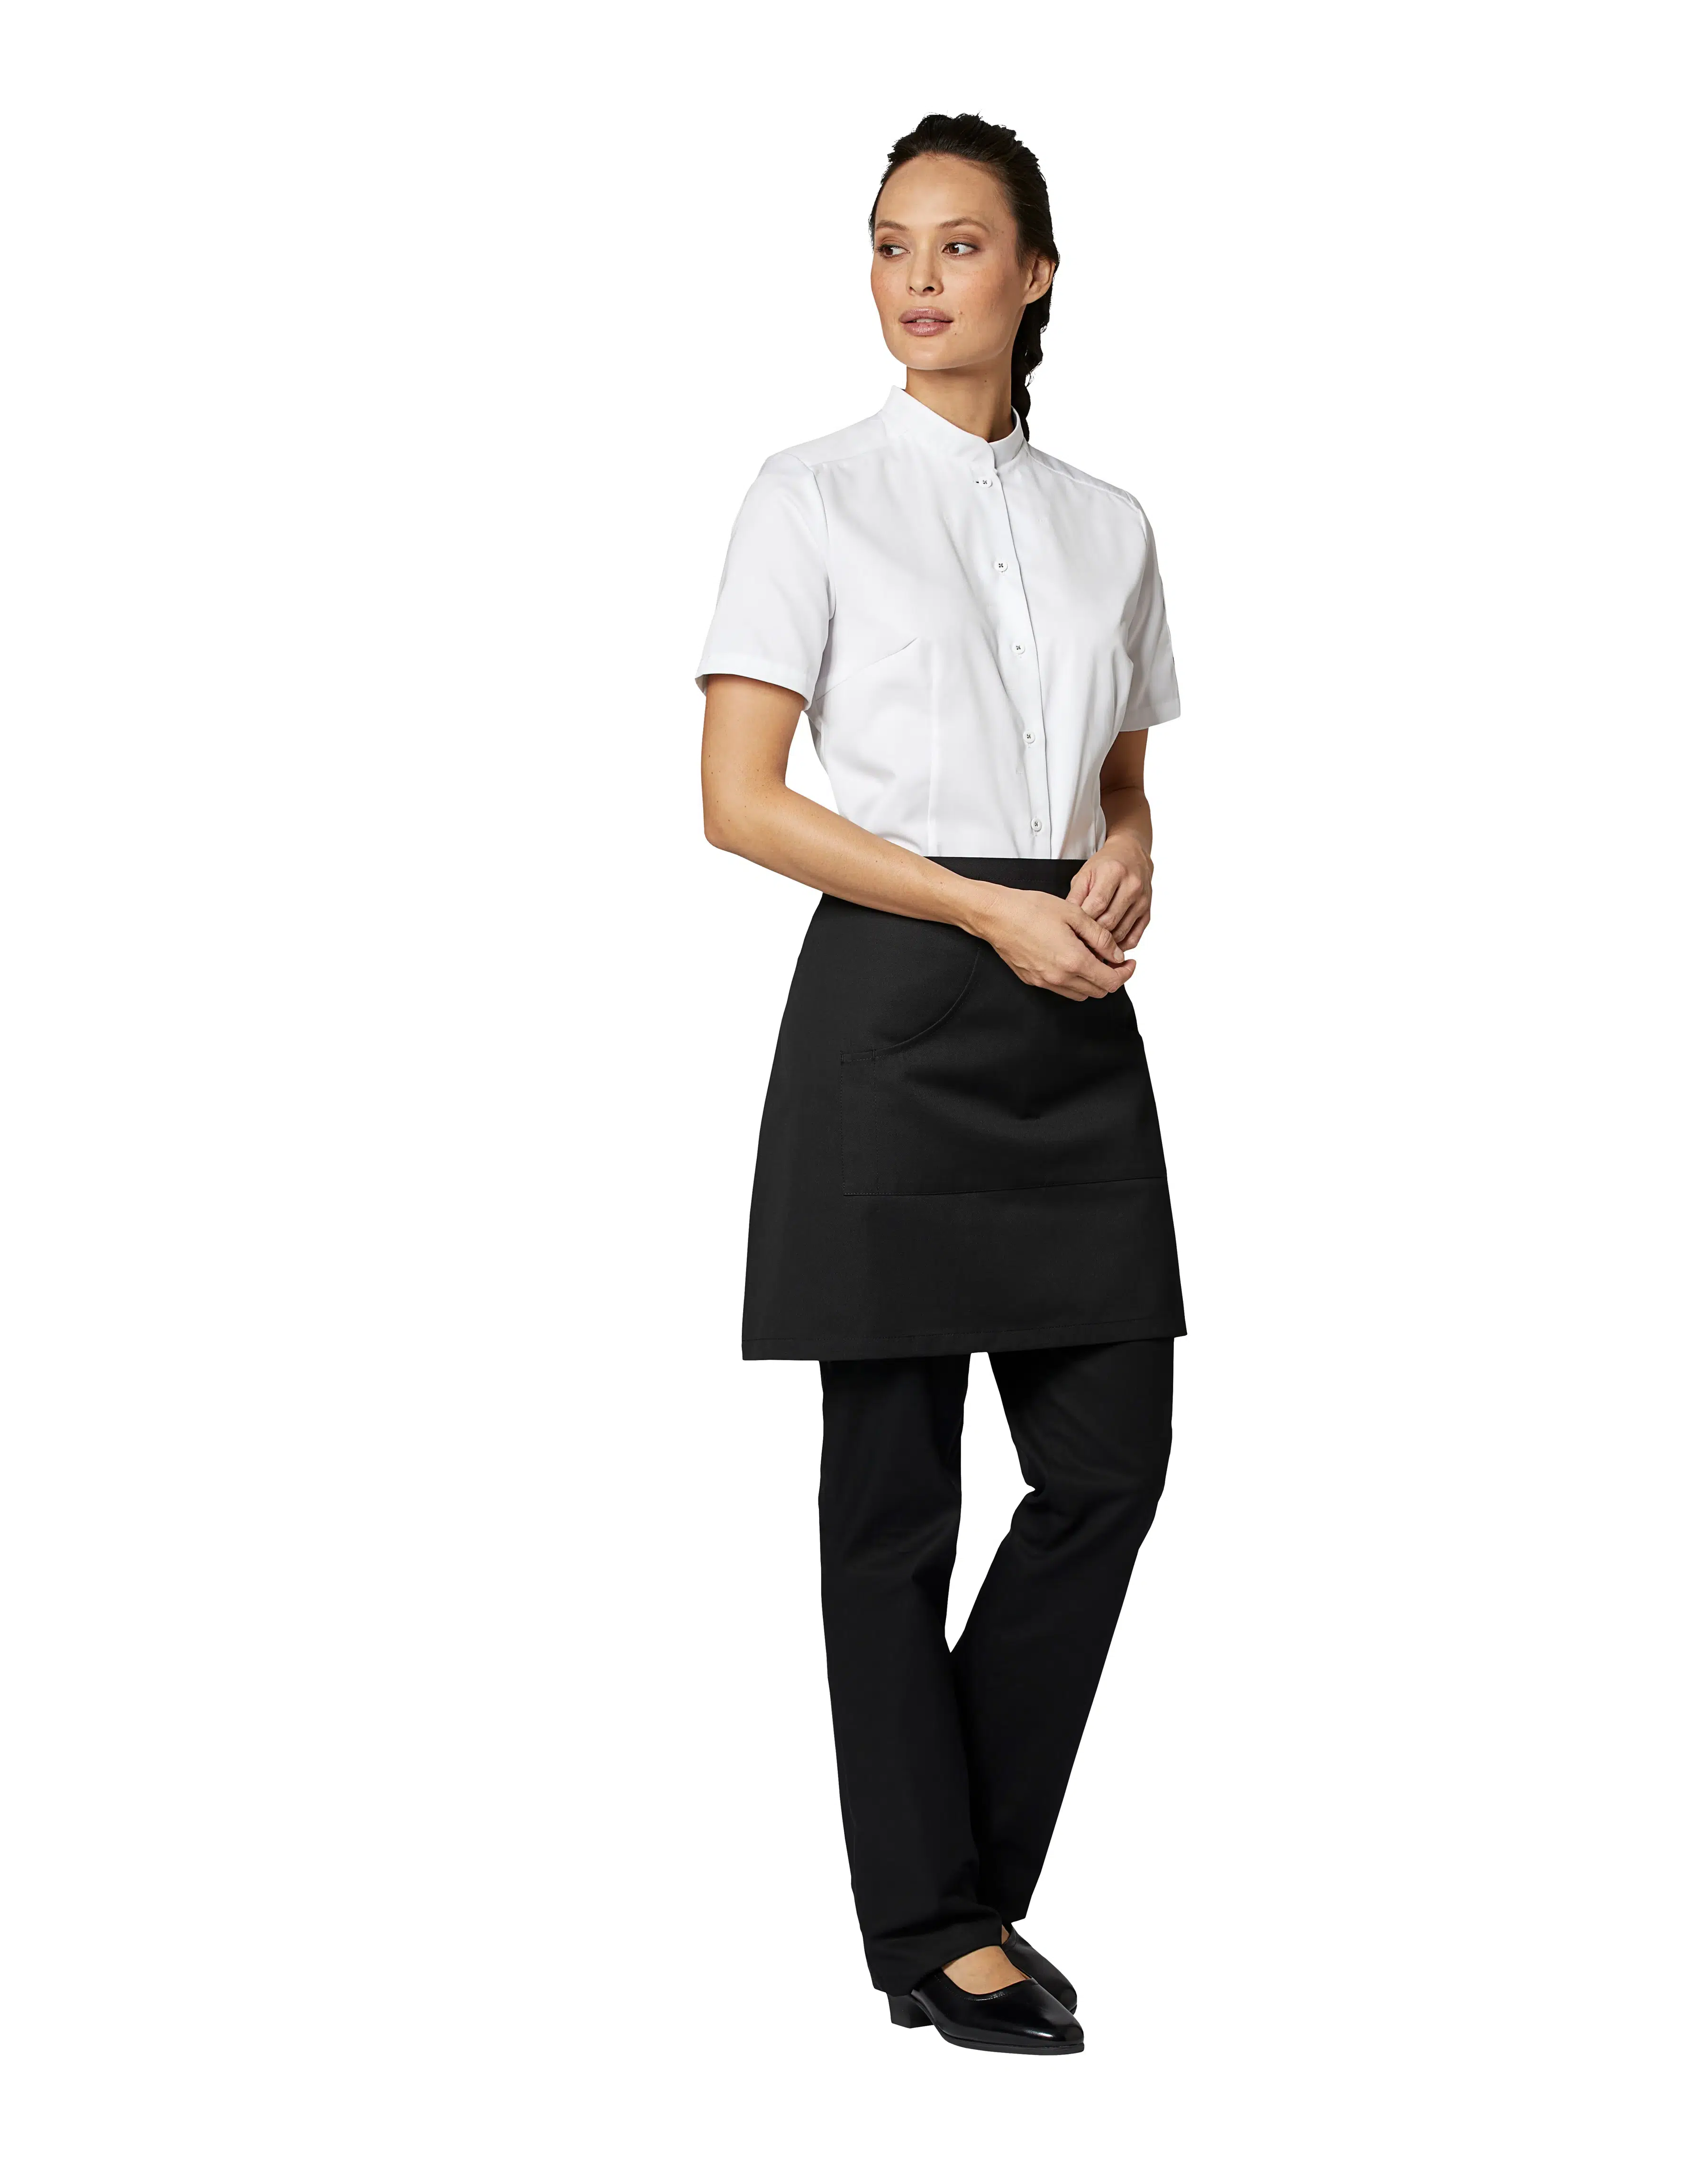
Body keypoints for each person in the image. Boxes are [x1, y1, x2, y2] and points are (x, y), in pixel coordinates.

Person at [697, 113, 1184, 2057]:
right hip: (898, 1002)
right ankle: (941, 1922)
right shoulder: (807, 495)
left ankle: (942, 1893)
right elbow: (740, 804)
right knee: (891, 1504)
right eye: (892, 244)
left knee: (1109, 1467)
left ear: (1036, 273)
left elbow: (1123, 773)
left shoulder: (1111, 524)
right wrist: (986, 912)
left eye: (961, 246)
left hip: (1068, 1006)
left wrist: (1125, 851)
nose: (918, 279)